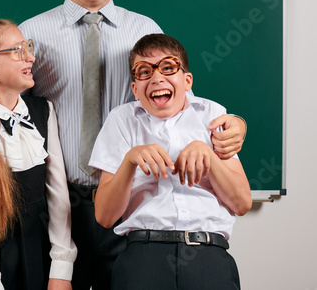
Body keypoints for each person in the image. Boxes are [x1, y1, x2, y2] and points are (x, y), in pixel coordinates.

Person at [0, 0, 247, 289]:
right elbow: (0, 103)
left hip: (128, 202)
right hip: (56, 207)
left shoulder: (145, 29)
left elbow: (178, 102)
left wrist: (235, 122)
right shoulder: (32, 34)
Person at [90, 33, 252, 290]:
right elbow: (105, 217)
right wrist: (130, 161)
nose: (157, 78)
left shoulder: (213, 115)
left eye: (168, 67)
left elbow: (242, 203)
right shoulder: (121, 120)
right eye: (144, 72)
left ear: (187, 81)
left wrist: (209, 155)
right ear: (134, 89)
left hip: (209, 253)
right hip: (143, 255)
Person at [0, 19, 76, 290]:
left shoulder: (44, 111)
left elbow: (58, 196)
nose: (31, 57)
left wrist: (62, 268)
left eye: (27, 47)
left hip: (43, 254)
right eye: (18, 50)